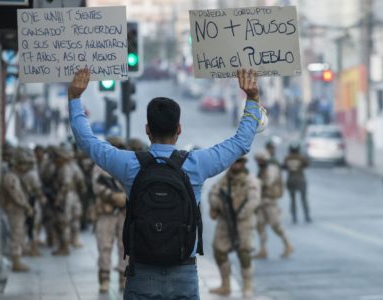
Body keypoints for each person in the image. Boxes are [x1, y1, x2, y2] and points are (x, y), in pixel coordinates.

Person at [68, 68, 263, 299]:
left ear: (147, 130)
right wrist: (252, 99)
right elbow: (241, 143)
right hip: (184, 273)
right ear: (179, 130)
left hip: (141, 273)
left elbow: (87, 142)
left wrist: (75, 98)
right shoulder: (195, 165)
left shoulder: (129, 165)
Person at [208, 156, 261, 297]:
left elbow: (253, 202)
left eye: (239, 162)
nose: (236, 165)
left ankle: (247, 287)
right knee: (218, 250)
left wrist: (239, 215)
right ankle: (226, 285)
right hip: (225, 222)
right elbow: (213, 194)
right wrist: (220, 206)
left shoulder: (250, 181)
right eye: (234, 162)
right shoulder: (224, 180)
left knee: (244, 253)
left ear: (243, 163)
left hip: (243, 223)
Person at [91, 136, 128, 293]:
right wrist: (112, 196)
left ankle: (124, 278)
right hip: (106, 211)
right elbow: (96, 186)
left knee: (125, 246)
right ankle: (104, 278)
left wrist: (125, 198)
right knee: (104, 246)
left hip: (125, 212)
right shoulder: (100, 166)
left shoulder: (128, 164)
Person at [253, 150, 293, 259]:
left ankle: (288, 244)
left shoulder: (271, 169)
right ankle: (263, 250)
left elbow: (268, 182)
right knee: (259, 224)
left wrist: (254, 183)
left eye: (260, 160)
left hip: (270, 201)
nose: (259, 162)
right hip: (261, 201)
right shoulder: (262, 169)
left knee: (275, 225)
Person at [0, 148, 34, 272]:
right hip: (13, 211)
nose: (24, 167)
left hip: (17, 211)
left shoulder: (15, 176)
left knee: (19, 234)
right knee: (16, 234)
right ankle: (16, 261)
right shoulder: (10, 177)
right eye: (22, 163)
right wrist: (26, 206)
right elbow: (16, 195)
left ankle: (17, 258)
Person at [20, 148, 47, 256]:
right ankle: (33, 249)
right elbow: (38, 190)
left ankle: (29, 247)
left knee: (29, 226)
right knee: (34, 226)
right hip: (32, 202)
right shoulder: (32, 174)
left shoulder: (25, 173)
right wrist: (43, 200)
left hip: (27, 201)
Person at [283, 142, 311, 223]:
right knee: (303, 199)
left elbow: (284, 166)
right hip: (300, 180)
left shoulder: (287, 158)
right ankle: (307, 216)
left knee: (292, 200)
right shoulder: (301, 158)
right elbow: (307, 164)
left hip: (291, 180)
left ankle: (294, 217)